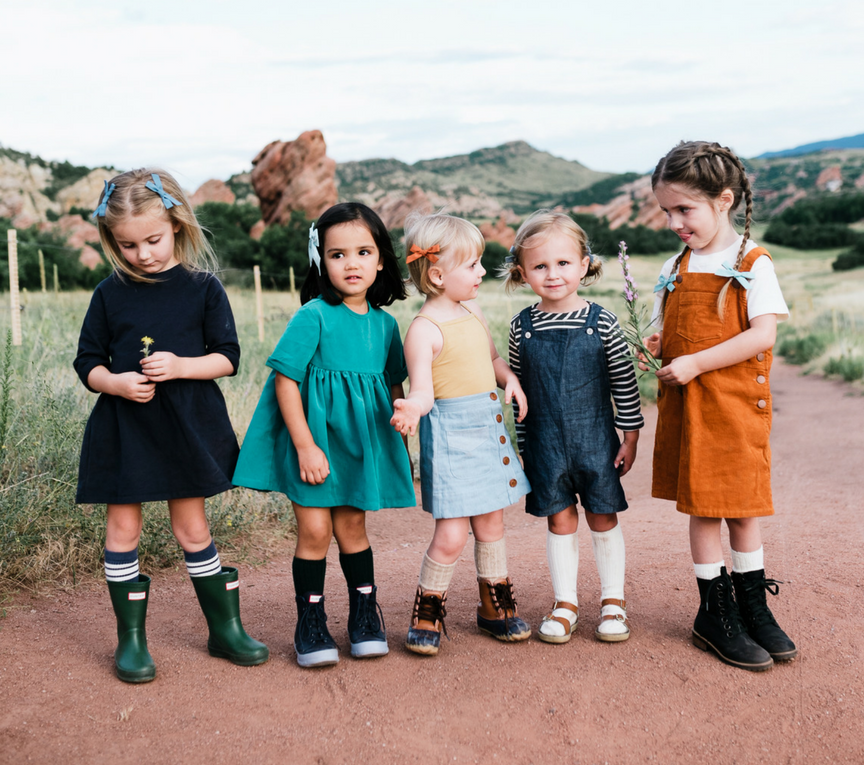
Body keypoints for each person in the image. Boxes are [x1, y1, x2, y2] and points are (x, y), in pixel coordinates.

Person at [74, 169, 268, 685]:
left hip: (186, 428)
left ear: (177, 225)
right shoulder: (108, 294)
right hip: (126, 429)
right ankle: (131, 641)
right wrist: (113, 383)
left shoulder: (203, 289)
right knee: (122, 528)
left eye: (153, 240)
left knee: (192, 528)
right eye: (128, 244)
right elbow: (87, 362)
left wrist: (182, 365)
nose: (142, 254)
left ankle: (224, 630)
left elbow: (228, 358)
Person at [233, 202, 414, 668]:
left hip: (360, 443)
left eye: (362, 252)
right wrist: (304, 445)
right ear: (320, 260)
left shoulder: (386, 324)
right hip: (313, 443)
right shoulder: (312, 316)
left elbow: (393, 387)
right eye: (337, 254)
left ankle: (363, 616)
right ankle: (310, 622)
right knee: (314, 530)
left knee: (353, 526)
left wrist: (400, 439)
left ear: (380, 260)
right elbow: (285, 380)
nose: (351, 263)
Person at [646, 140, 797, 672]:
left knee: (742, 508)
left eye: (684, 209)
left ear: (723, 200)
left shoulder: (752, 262)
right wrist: (662, 341)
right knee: (704, 507)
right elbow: (671, 325)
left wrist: (696, 363)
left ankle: (753, 607)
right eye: (667, 211)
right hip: (690, 407)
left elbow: (762, 335)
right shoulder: (677, 262)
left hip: (733, 405)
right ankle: (714, 611)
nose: (674, 222)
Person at [391, 213, 531, 656]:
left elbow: (491, 360)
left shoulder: (472, 310)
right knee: (451, 535)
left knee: (492, 524)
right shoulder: (423, 331)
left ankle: (494, 608)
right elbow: (423, 391)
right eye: (471, 265)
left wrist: (511, 380)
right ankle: (427, 609)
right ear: (437, 274)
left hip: (486, 431)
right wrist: (412, 407)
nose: (480, 273)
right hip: (452, 438)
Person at [504, 211, 643, 645]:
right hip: (545, 445)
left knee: (603, 517)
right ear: (523, 273)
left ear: (584, 265)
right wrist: (524, 447)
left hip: (595, 442)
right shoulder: (520, 328)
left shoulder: (601, 321)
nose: (553, 274)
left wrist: (631, 435)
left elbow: (624, 380)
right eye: (540, 266)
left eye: (563, 263)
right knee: (559, 520)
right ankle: (565, 603)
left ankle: (613, 602)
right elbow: (519, 398)